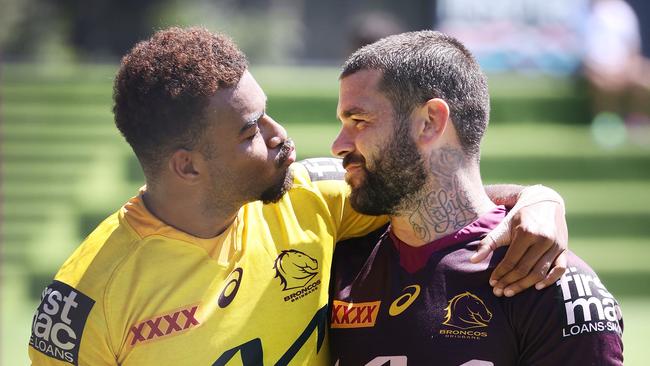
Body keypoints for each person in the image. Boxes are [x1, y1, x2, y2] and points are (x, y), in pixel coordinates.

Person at [28, 27, 568, 365]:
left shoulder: (311, 197)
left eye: (265, 110)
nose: (279, 134)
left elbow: (433, 191)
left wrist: (538, 198)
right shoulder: (87, 301)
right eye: (248, 132)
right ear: (186, 165)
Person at [329, 30, 623, 365]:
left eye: (359, 121)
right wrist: (539, 196)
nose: (338, 145)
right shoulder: (339, 258)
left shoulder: (546, 279)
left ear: (429, 122)